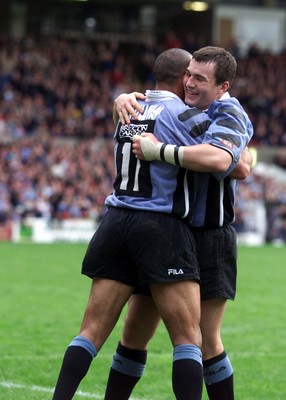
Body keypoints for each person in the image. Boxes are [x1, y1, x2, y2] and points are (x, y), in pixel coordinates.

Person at [52, 48, 211, 400]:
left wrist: (120, 96)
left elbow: (130, 114)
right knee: (188, 339)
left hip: (115, 222)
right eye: (192, 75)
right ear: (184, 76)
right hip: (160, 227)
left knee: (90, 332)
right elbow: (221, 152)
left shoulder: (128, 107)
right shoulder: (183, 114)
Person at [104, 46, 253, 400]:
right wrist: (121, 98)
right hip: (173, 235)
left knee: (204, 339)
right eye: (188, 75)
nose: (189, 83)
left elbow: (239, 165)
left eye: (199, 78)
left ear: (222, 86)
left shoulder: (228, 111)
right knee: (134, 331)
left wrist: (162, 151)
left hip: (211, 236)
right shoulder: (187, 110)